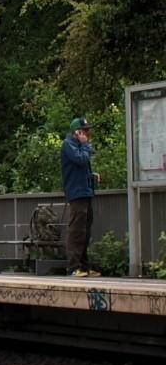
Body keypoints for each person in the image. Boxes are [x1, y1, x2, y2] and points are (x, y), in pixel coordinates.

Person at [60, 116, 100, 276]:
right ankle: (73, 267)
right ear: (76, 132)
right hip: (76, 193)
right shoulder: (68, 144)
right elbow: (81, 159)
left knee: (85, 230)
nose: (87, 133)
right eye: (84, 130)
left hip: (85, 191)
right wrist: (85, 145)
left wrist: (91, 175)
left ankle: (84, 266)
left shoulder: (78, 145)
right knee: (77, 230)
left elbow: (81, 166)